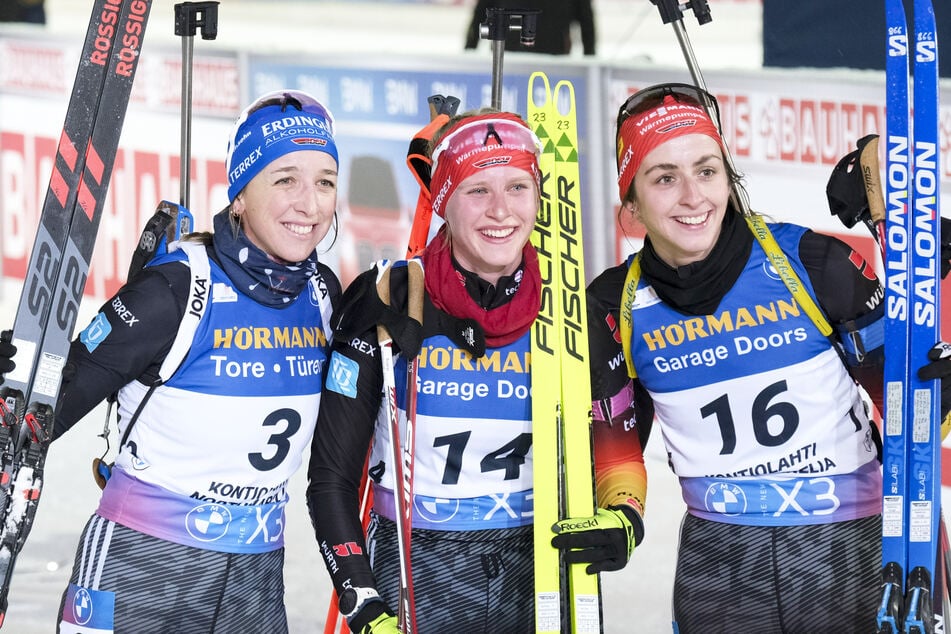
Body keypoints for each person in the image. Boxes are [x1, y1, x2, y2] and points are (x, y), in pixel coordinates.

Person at [560, 82, 951, 632]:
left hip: (850, 547)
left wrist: (938, 391)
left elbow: (908, 407)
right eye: (664, 178)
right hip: (719, 563)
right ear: (631, 201)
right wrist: (621, 513)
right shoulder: (613, 306)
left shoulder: (811, 263)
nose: (693, 196)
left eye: (707, 170)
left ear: (728, 177)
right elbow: (619, 438)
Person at [1, 89, 341, 632]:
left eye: (325, 181)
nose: (310, 204)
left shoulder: (322, 294)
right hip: (140, 568)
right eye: (285, 180)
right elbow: (42, 412)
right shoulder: (179, 288)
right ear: (240, 195)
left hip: (254, 582)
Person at [307, 108, 639, 633]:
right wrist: (364, 603)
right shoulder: (387, 299)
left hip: (538, 568)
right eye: (477, 190)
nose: (501, 210)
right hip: (414, 564)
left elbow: (618, 447)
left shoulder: (571, 312)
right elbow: (330, 479)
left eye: (517, 187)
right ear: (444, 202)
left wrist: (625, 519)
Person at [464, 0, 596, 56]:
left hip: (553, 59)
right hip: (508, 57)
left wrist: (590, 58)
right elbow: (480, 13)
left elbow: (586, 20)